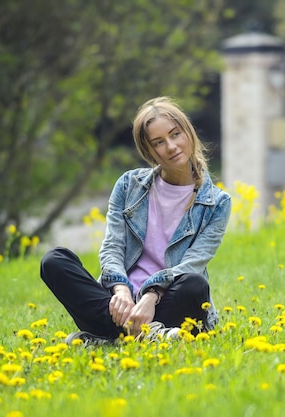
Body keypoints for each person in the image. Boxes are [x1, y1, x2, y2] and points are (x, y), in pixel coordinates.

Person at [40, 96, 231, 345]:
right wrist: (120, 290)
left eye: (175, 134)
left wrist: (150, 296)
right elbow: (112, 247)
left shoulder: (217, 202)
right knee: (54, 261)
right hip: (119, 306)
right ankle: (147, 336)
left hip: (167, 301)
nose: (171, 146)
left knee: (194, 285)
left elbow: (192, 263)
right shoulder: (129, 185)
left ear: (189, 133)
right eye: (159, 142)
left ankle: (108, 339)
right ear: (149, 150)